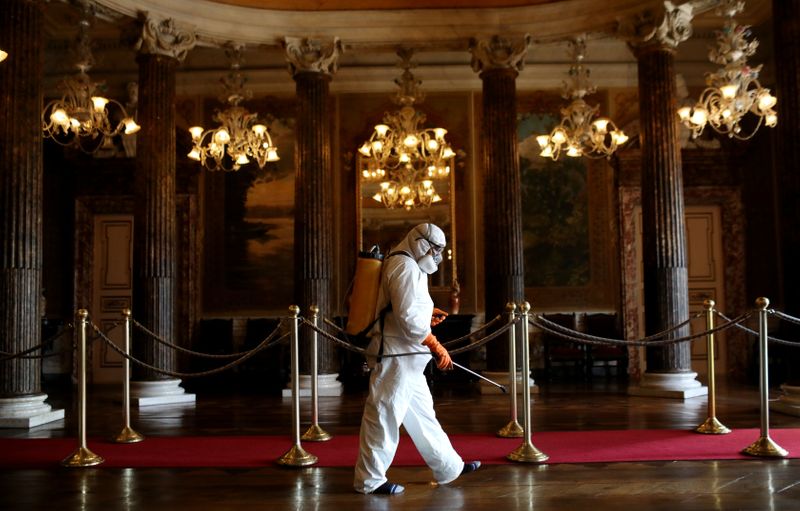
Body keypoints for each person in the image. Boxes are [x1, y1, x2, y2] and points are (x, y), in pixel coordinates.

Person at [353, 223, 480, 495]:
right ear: (420, 242)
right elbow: (409, 319)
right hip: (395, 356)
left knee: (423, 417)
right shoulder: (404, 266)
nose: (436, 256)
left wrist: (428, 313)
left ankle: (449, 467)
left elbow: (404, 306)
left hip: (409, 357)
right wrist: (435, 344)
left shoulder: (411, 264)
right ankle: (370, 480)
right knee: (384, 415)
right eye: (434, 249)